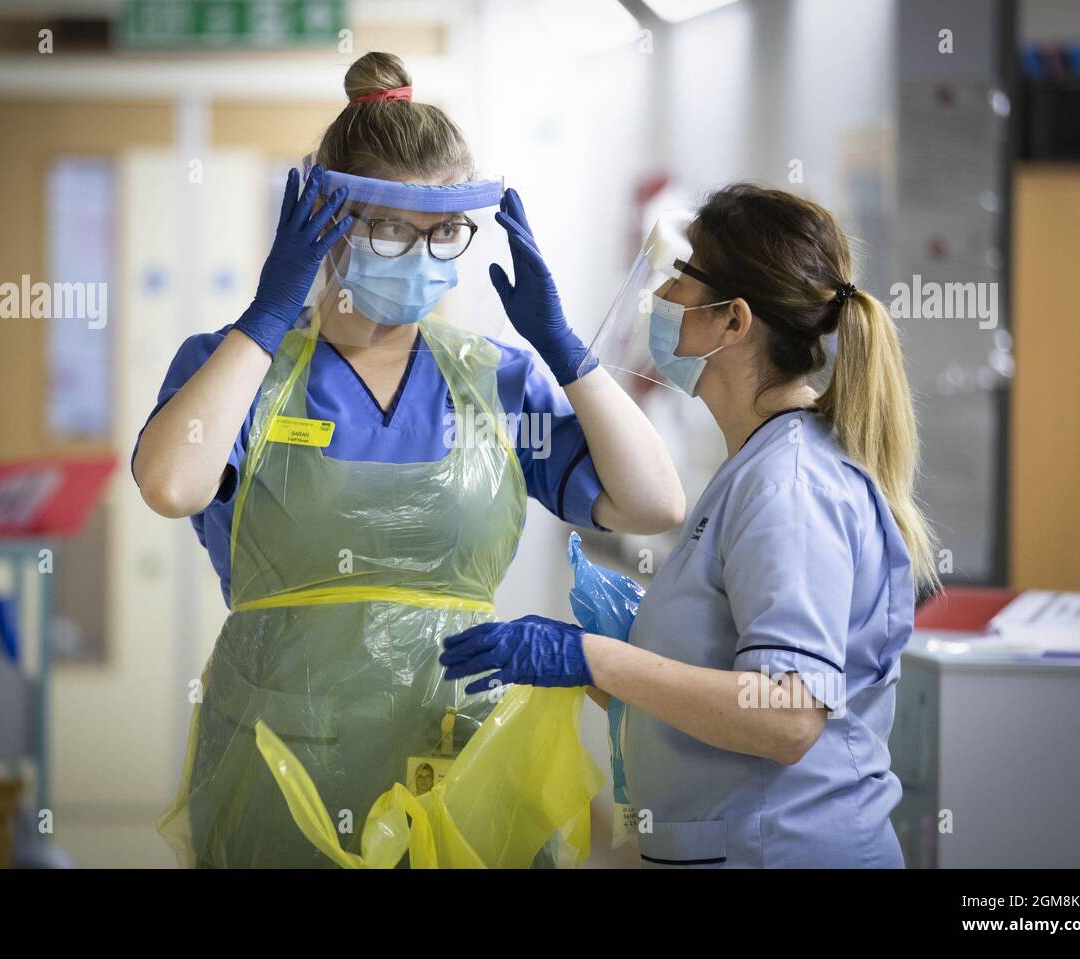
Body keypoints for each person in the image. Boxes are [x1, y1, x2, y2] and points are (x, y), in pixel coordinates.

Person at [132, 52, 684, 867]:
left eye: (444, 231)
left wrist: (566, 351)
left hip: (461, 764)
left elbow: (653, 504)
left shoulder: (494, 378)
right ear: (324, 222)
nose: (422, 252)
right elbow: (170, 484)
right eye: (391, 227)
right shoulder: (240, 369)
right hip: (283, 768)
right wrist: (271, 310)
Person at [441, 182, 939, 868]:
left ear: (733, 321)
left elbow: (787, 714)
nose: (662, 296)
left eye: (681, 275)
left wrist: (593, 657)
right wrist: (595, 661)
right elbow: (718, 683)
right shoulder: (758, 465)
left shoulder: (789, 484)